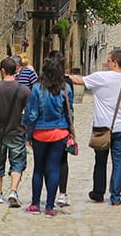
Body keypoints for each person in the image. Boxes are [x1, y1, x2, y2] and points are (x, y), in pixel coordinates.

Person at [67, 49, 121, 206]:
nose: (106, 63)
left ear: (115, 62)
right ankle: (116, 197)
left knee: (100, 161)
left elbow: (78, 80)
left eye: (109, 60)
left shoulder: (101, 77)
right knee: (118, 162)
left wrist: (62, 76)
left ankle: (98, 193)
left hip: (101, 127)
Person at [22, 55, 72, 217]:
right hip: (59, 132)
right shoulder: (65, 89)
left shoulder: (37, 89)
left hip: (40, 133)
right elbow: (70, 112)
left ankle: (35, 204)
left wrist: (28, 133)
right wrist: (70, 132)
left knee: (38, 169)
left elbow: (32, 113)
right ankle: (50, 206)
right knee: (54, 168)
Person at [0, 56, 31, 207]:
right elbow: (29, 112)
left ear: (2, 71)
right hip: (17, 131)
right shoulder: (24, 90)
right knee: (17, 162)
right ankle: (13, 190)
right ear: (16, 70)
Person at [47, 51, 73, 208]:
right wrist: (71, 130)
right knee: (62, 161)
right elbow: (70, 109)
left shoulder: (41, 83)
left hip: (43, 129)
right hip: (62, 127)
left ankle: (49, 194)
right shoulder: (66, 83)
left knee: (45, 163)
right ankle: (62, 194)